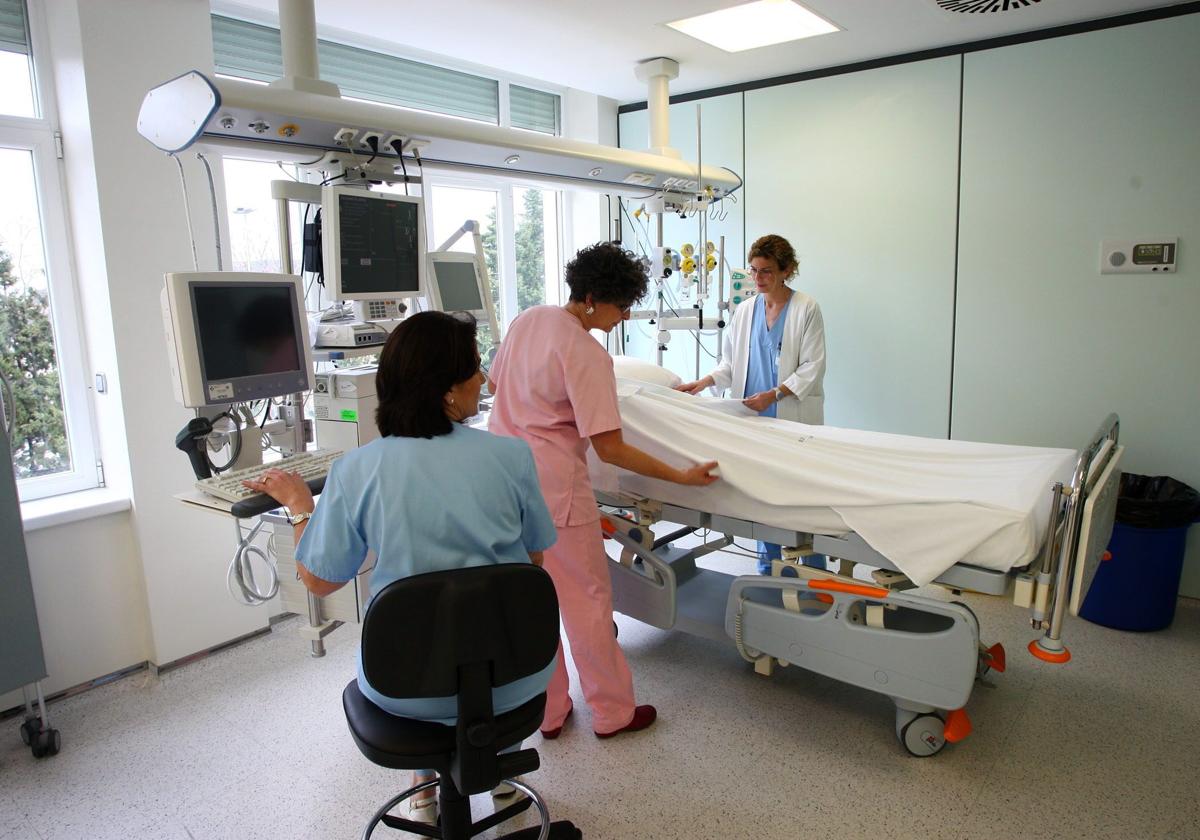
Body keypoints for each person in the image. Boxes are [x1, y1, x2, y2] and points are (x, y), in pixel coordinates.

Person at [243, 311, 557, 825]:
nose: (486, 380)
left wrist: (302, 507)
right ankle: (497, 776)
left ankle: (425, 779)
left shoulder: (356, 469)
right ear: (447, 390)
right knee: (490, 624)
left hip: (407, 687)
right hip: (517, 677)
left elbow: (320, 579)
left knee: (426, 641)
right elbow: (533, 561)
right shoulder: (511, 456)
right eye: (476, 368)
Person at [488, 241, 719, 741]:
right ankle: (613, 712)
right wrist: (680, 474)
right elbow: (610, 449)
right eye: (621, 304)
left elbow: (495, 385)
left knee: (533, 604)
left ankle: (547, 712)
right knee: (587, 603)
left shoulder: (528, 320)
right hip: (557, 496)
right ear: (593, 297)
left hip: (504, 486)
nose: (626, 314)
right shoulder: (587, 351)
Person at [675, 234, 826, 574]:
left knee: (801, 496)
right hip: (753, 419)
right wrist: (705, 382)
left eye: (767, 272)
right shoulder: (744, 311)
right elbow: (730, 364)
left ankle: (818, 571)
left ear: (787, 270)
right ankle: (768, 570)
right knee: (763, 498)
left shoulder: (806, 308)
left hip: (790, 415)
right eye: (754, 271)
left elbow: (812, 367)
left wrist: (774, 395)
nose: (758, 279)